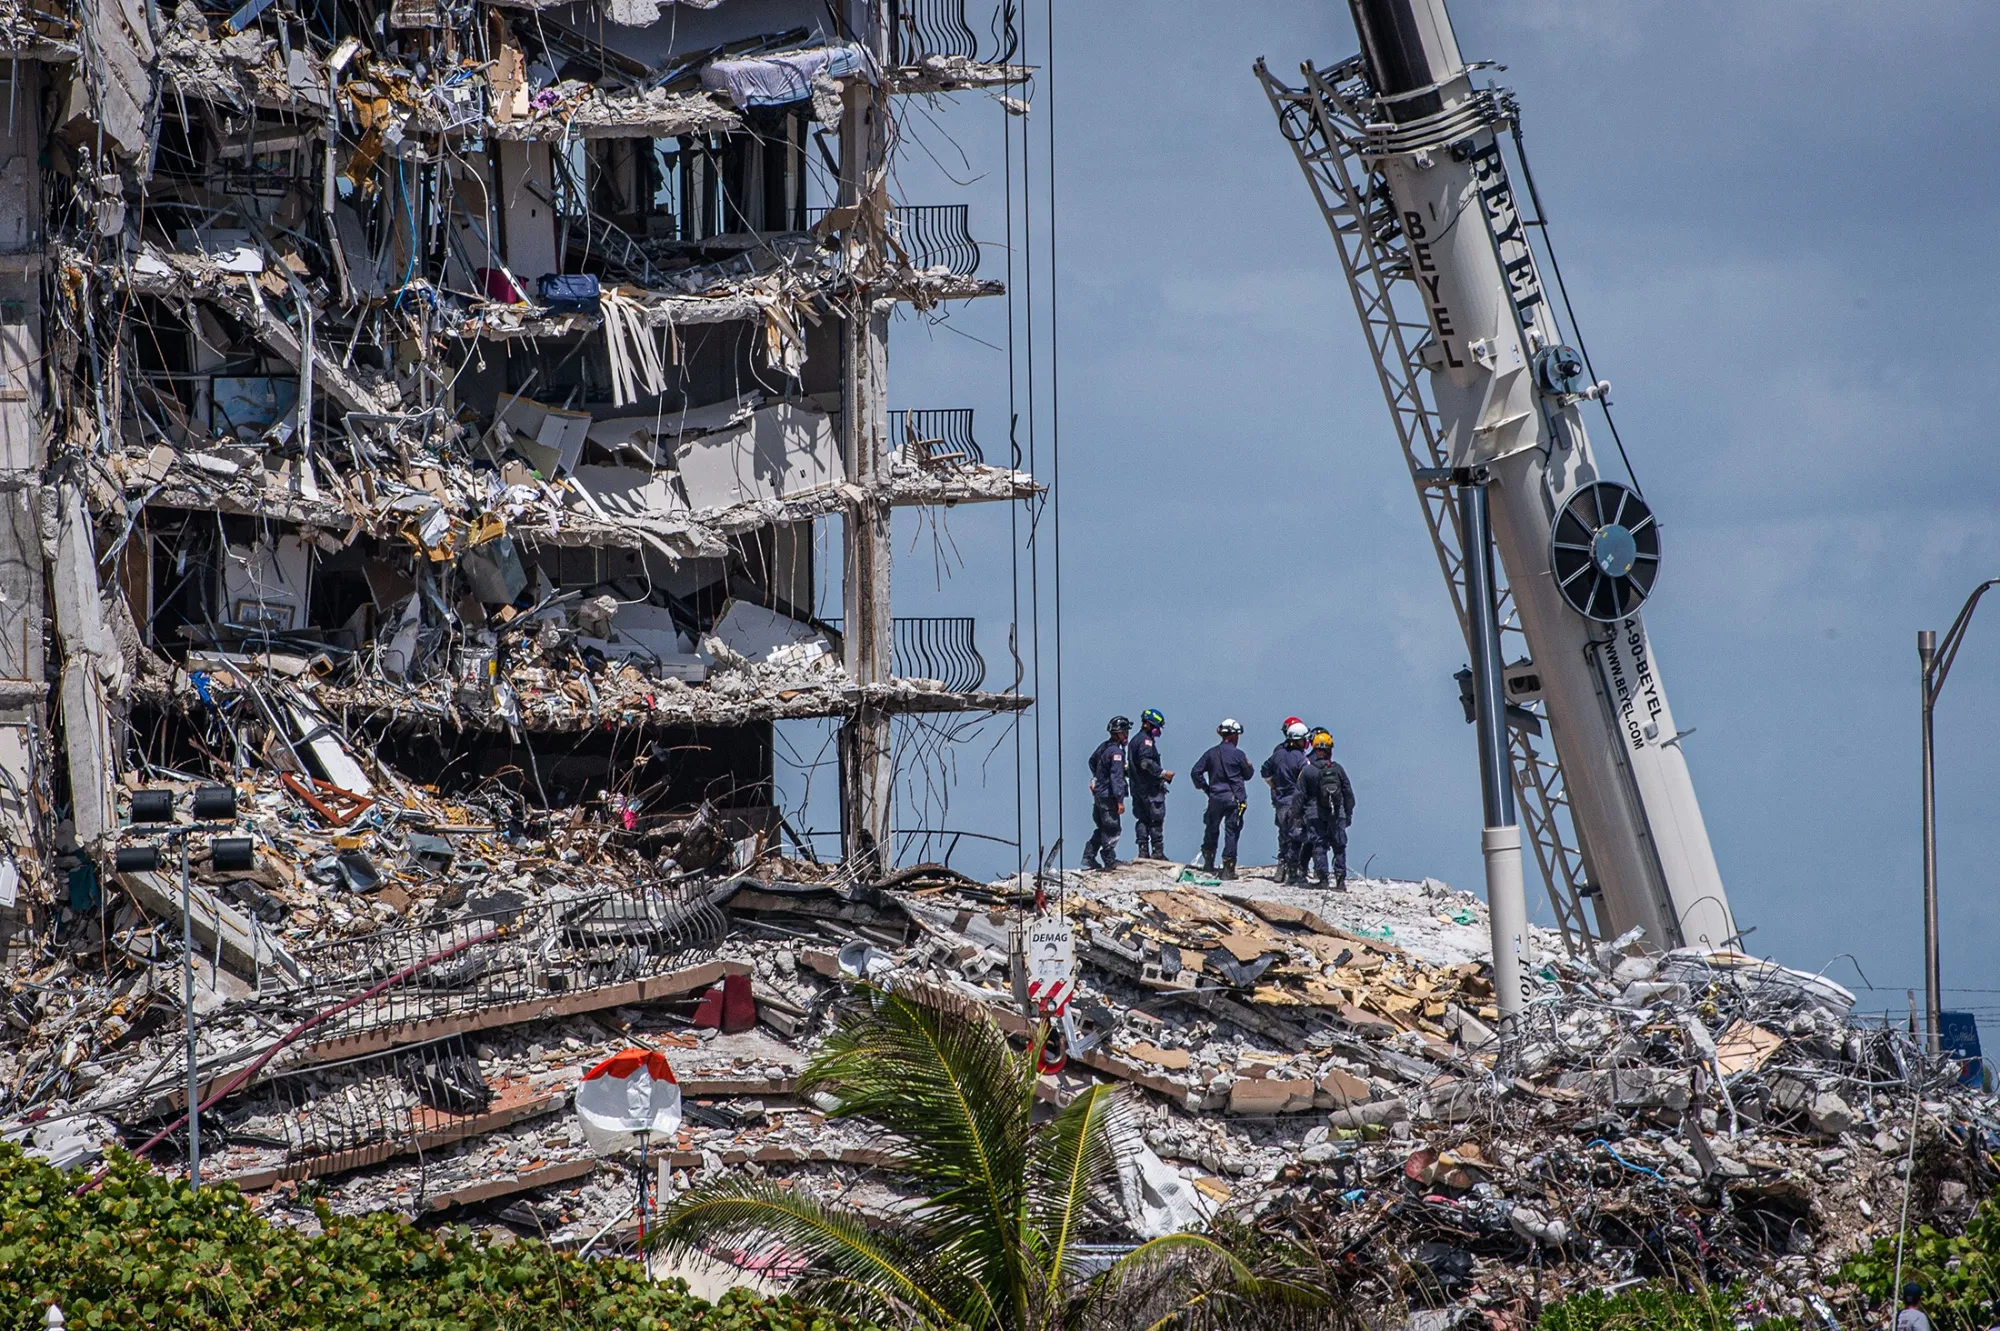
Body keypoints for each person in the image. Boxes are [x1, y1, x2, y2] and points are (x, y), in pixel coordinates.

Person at [1289, 728, 1355, 890]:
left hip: (1314, 814)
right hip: (1336, 813)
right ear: (1330, 750)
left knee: (1319, 845)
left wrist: (1296, 815)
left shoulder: (1308, 771)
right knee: (1339, 846)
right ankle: (1340, 881)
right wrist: (1347, 814)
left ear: (1315, 749)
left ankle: (1323, 879)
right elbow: (1349, 794)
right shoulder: (1338, 769)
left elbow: (1299, 796)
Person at [1191, 719, 1255, 878]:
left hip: (1215, 798)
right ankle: (1228, 870)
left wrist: (1207, 789)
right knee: (1232, 832)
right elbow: (1248, 774)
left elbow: (1195, 772)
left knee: (1211, 829)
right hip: (1235, 799)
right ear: (1233, 736)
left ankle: (1208, 864)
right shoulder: (1239, 755)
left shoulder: (1211, 753)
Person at [1262, 719, 1311, 884]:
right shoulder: (1300, 758)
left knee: (1283, 835)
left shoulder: (1278, 753)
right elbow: (1307, 777)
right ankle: (1293, 871)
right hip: (1295, 802)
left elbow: (1264, 771)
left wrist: (1275, 787)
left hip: (1280, 801)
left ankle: (1282, 867)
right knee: (1296, 836)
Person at [1082, 716, 1131, 871]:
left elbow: (1091, 761)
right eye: (1125, 732)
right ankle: (1109, 860)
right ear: (1120, 733)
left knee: (1102, 827)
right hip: (1109, 796)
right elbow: (1117, 778)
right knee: (1112, 828)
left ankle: (1089, 856)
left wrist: (1098, 777)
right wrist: (1120, 800)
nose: (1126, 735)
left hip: (1099, 794)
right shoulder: (1116, 753)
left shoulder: (1104, 747)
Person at [1126, 709, 1173, 860]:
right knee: (1155, 819)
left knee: (1142, 819)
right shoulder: (1145, 741)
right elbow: (1145, 763)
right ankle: (1157, 853)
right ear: (1146, 724)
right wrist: (1163, 773)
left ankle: (1143, 852)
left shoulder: (1134, 741)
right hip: (1150, 789)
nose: (1157, 730)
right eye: (1155, 726)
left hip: (1137, 788)